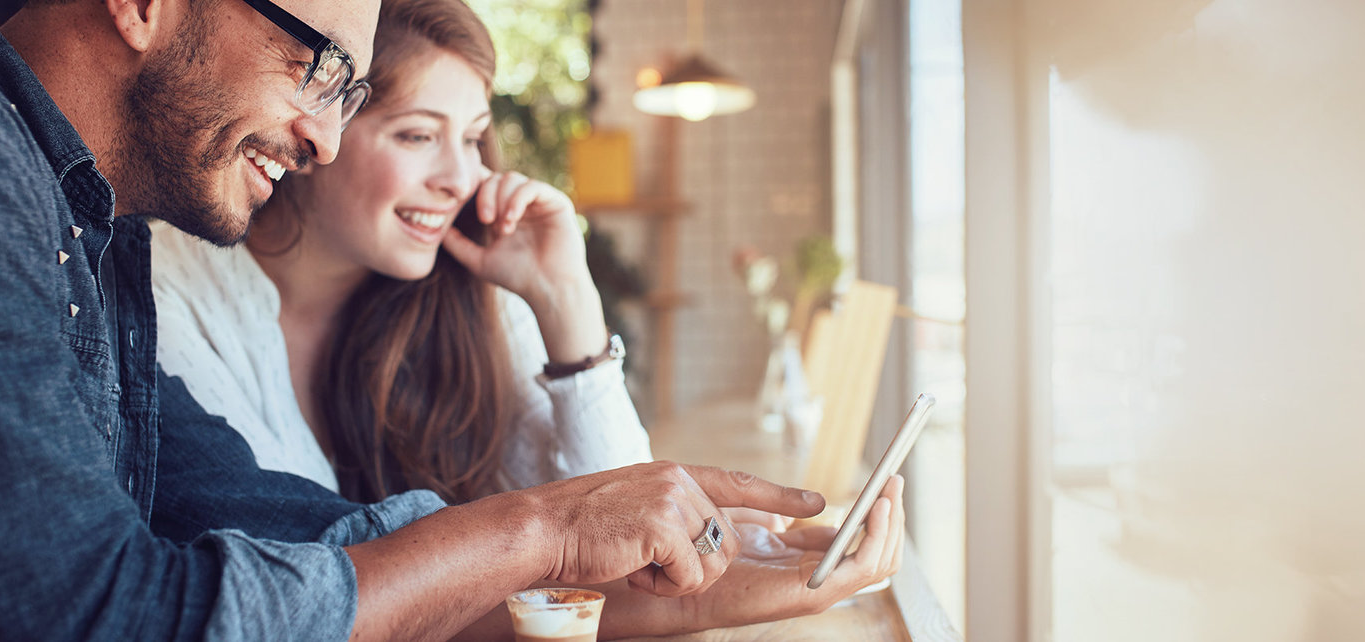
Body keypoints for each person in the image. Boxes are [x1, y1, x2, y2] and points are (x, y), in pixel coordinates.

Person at [0, 0, 867, 639]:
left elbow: (308, 542)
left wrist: (717, 586)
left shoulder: (94, 233)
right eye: (319, 68)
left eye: (350, 95)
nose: (323, 137)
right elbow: (102, 619)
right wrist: (544, 529)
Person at [147, 0, 905, 636]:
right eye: (417, 135)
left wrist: (567, 301)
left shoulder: (470, 299)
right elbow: (311, 580)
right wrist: (700, 596)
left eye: (473, 138)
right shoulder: (168, 291)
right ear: (318, 127)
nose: (461, 178)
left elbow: (618, 525)